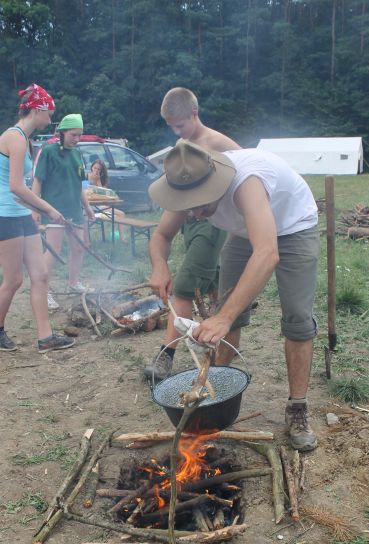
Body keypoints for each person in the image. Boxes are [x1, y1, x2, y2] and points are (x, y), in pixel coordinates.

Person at [147, 141, 320, 452]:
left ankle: (297, 408)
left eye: (201, 203)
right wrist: (159, 266)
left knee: (296, 318)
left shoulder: (247, 182)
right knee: (227, 313)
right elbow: (161, 235)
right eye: (190, 205)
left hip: (293, 227)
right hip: (244, 234)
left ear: (215, 183)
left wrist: (224, 316)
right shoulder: (187, 187)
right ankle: (214, 395)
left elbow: (267, 253)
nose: (196, 213)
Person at [144, 87, 240, 381]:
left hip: (212, 221)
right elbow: (163, 229)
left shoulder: (220, 143)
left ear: (194, 114)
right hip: (188, 215)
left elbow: (247, 177)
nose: (177, 131)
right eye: (172, 126)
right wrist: (159, 264)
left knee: (184, 285)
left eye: (180, 124)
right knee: (213, 283)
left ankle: (165, 357)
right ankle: (219, 345)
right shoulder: (182, 145)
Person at [0, 83, 75, 353]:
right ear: (38, 109)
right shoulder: (15, 137)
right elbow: (16, 187)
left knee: (40, 274)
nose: (51, 119)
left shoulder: (26, 140)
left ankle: (46, 339)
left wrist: (35, 210)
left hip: (20, 214)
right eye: (50, 113)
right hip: (5, 215)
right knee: (13, 280)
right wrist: (49, 210)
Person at [32, 114, 95, 310]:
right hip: (54, 210)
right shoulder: (48, 151)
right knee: (54, 250)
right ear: (62, 132)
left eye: (79, 135)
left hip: (75, 210)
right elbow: (38, 181)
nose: (77, 139)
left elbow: (80, 185)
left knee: (79, 247)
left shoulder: (77, 154)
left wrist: (87, 207)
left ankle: (73, 283)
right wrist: (36, 209)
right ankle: (44, 290)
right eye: (73, 135)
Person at [83, 159, 127, 243]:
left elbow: (103, 194)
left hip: (100, 206)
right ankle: (87, 242)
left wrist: (98, 180)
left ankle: (123, 239)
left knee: (121, 214)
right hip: (89, 206)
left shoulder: (99, 179)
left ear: (101, 171)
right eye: (95, 168)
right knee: (84, 218)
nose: (96, 170)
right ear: (92, 167)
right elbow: (85, 192)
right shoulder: (85, 177)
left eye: (98, 169)